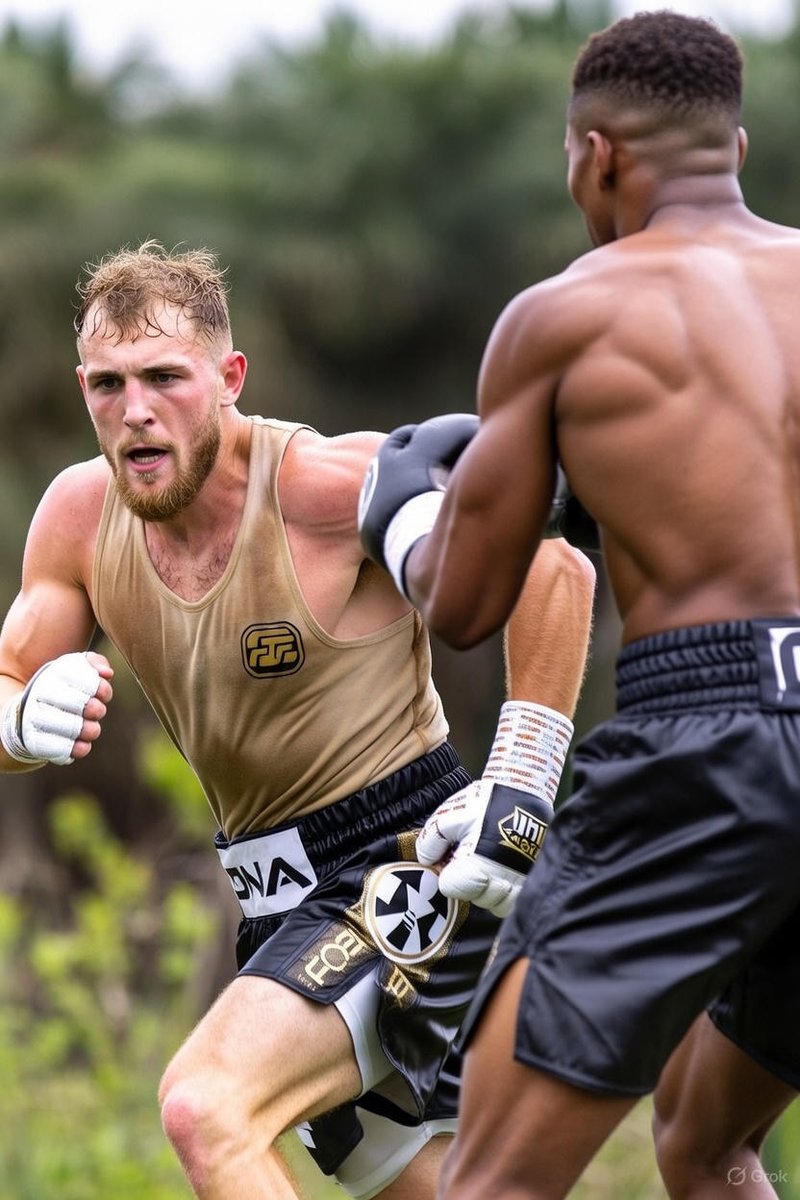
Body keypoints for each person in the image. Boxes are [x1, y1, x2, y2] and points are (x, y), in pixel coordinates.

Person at [0, 241, 596, 1200]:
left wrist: (520, 785)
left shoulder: (321, 485)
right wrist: (21, 720)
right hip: (277, 903)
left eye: (164, 377)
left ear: (230, 379)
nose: (136, 410)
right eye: (107, 384)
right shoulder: (78, 516)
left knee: (207, 1109)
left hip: (405, 859)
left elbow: (550, 566)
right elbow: (7, 682)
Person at [357, 11, 800, 1199]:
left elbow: (459, 605)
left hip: (704, 744)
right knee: (704, 1140)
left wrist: (406, 506)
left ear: (596, 155)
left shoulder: (568, 315)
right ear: (736, 148)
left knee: (491, 1179)